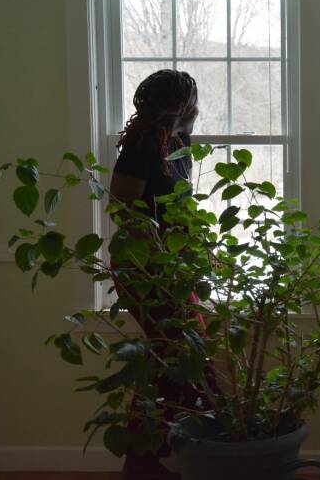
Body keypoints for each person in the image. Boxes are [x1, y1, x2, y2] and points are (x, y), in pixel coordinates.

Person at [110, 69, 199, 480]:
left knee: (186, 354)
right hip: (143, 267)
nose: (198, 109)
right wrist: (158, 249)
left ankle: (162, 456)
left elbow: (179, 210)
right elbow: (123, 208)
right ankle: (144, 462)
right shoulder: (142, 144)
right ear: (180, 105)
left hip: (173, 266)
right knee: (175, 355)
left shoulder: (180, 145)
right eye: (194, 102)